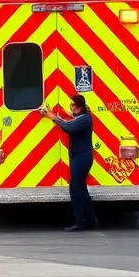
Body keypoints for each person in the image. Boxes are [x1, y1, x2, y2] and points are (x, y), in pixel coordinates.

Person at [38, 94, 97, 231]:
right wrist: (53, 117)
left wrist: (52, 117)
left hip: (81, 158)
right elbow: (66, 126)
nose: (71, 107)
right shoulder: (81, 118)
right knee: (81, 189)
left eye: (73, 105)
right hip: (80, 157)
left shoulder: (83, 119)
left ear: (79, 107)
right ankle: (91, 220)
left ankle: (80, 222)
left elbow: (69, 127)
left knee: (75, 190)